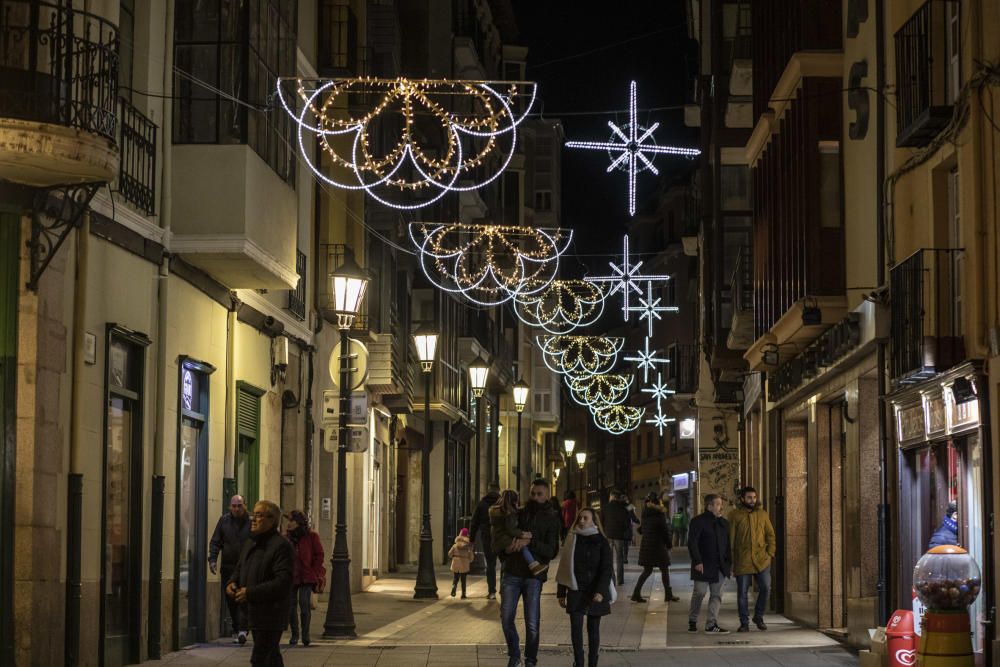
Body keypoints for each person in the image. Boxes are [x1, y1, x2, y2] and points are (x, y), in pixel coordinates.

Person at [498, 479, 561, 667]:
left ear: (547, 495)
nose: (535, 497)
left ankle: (531, 660)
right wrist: (506, 552)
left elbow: (551, 551)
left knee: (532, 623)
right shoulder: (520, 513)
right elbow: (504, 536)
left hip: (534, 576)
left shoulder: (552, 518)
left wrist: (529, 542)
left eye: (539, 494)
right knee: (506, 617)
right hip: (512, 572)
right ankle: (515, 655)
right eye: (532, 493)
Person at [227, 500, 293, 666]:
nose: (253, 519)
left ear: (272, 520)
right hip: (253, 612)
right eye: (253, 515)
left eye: (258, 515)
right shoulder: (251, 542)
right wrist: (232, 582)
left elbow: (282, 582)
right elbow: (240, 567)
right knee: (271, 657)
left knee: (260, 658)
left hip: (271, 613)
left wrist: (250, 593)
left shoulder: (281, 546)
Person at [557, 508, 614, 667]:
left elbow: (607, 569)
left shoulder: (601, 541)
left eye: (585, 518)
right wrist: (561, 592)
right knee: (576, 630)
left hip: (595, 590)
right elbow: (564, 567)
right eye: (580, 518)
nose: (581, 521)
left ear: (594, 521)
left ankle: (593, 663)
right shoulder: (571, 539)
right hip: (576, 590)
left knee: (593, 630)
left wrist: (601, 592)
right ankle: (579, 662)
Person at [729, 486, 776, 632]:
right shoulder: (734, 515)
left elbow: (770, 535)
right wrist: (731, 563)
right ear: (742, 499)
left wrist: (770, 554)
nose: (752, 500)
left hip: (762, 559)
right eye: (749, 497)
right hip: (742, 560)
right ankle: (744, 622)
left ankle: (759, 616)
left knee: (766, 588)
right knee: (742, 593)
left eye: (754, 497)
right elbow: (730, 540)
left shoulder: (762, 514)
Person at [209, 494, 251, 644]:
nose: (236, 509)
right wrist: (213, 560)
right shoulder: (224, 521)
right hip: (228, 567)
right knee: (231, 599)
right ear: (230, 507)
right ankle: (238, 628)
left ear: (245, 505)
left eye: (239, 506)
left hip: (247, 567)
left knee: (244, 598)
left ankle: (242, 629)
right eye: (234, 506)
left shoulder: (251, 522)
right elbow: (215, 541)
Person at [687, 494, 732, 634]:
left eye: (720, 504)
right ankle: (692, 620)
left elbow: (727, 545)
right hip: (703, 564)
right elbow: (692, 543)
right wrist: (697, 561)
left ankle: (711, 625)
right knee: (699, 592)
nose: (721, 507)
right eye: (718, 504)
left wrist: (729, 565)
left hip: (719, 566)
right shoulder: (697, 521)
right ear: (709, 506)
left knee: (716, 595)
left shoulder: (724, 523)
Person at [284, 510, 324, 647]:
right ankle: (295, 635)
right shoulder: (287, 538)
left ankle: (305, 635)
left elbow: (319, 554)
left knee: (304, 604)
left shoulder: (311, 536)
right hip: (291, 576)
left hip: (307, 575)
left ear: (298, 522)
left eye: (291, 521)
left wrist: (315, 570)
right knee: (291, 606)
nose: (288, 524)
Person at [630, 492, 679, 602]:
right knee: (665, 569)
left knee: (647, 570)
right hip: (658, 546)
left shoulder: (645, 513)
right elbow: (664, 531)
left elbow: (641, 529)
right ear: (659, 502)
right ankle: (668, 594)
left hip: (647, 545)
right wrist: (669, 544)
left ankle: (636, 593)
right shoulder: (659, 514)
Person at [490, 489, 548, 575]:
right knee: (522, 546)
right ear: (514, 502)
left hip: (497, 540)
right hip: (505, 540)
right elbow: (511, 529)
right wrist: (523, 534)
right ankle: (533, 565)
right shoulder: (509, 514)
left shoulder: (496, 511)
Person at [469, 482, 502, 599]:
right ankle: (504, 589)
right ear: (498, 490)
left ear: (488, 490)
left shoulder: (482, 504)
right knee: (505, 564)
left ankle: (492, 591)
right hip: (502, 537)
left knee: (491, 564)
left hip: (487, 537)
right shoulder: (502, 503)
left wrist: (471, 539)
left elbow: (474, 522)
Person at [600, 490, 630, 586]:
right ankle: (620, 580)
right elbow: (627, 522)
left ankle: (611, 579)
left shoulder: (605, 507)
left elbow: (601, 521)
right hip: (619, 536)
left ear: (612, 496)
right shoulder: (623, 508)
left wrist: (604, 532)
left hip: (608, 535)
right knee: (619, 558)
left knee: (609, 558)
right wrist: (622, 530)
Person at [449, 527, 475, 598]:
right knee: (463, 580)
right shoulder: (468, 546)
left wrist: (453, 557)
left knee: (455, 578)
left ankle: (454, 586)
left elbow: (450, 554)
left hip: (456, 562)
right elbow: (471, 556)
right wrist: (470, 560)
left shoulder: (455, 545)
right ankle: (463, 594)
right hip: (464, 563)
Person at [624, 495, 639, 564]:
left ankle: (621, 558)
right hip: (626, 528)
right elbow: (632, 516)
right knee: (625, 544)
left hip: (618, 528)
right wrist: (637, 521)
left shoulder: (618, 506)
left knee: (620, 545)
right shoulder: (629, 506)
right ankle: (625, 558)